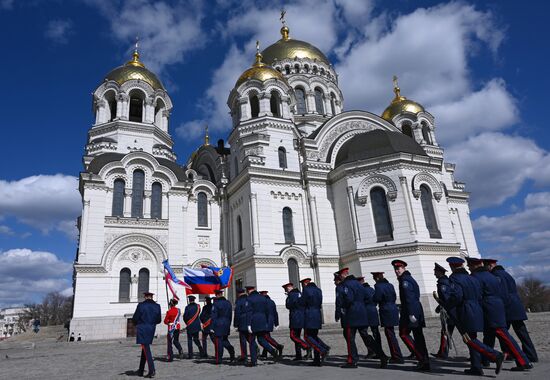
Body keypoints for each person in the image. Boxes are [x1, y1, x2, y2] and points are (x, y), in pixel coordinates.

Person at [467, 257, 531, 371]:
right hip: (497, 306)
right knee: (489, 335)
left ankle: (523, 361)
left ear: (473, 266)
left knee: (504, 335)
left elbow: (476, 294)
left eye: (469, 266)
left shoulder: (475, 278)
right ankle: (485, 360)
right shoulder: (492, 276)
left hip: (487, 307)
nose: (468, 268)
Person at [444, 257, 504, 376]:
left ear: (451, 267)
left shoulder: (454, 278)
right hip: (477, 308)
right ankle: (476, 367)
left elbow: (457, 296)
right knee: (471, 337)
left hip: (465, 309)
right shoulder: (472, 278)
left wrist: (447, 304)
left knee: (469, 338)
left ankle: (495, 355)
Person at [484, 259, 538, 363]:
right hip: (516, 305)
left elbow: (502, 293)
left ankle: (509, 353)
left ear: (490, 266)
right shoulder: (506, 274)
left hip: (508, 307)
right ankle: (531, 354)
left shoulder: (497, 276)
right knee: (522, 333)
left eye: (487, 267)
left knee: (502, 334)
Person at [392, 259, 430, 371]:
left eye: (398, 269)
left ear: (404, 268)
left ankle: (422, 359)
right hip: (414, 309)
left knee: (404, 333)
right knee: (419, 337)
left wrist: (411, 314)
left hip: (410, 311)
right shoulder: (407, 278)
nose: (396, 271)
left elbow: (410, 298)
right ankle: (424, 360)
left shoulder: (405, 280)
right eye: (395, 269)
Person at [372, 271, 403, 363]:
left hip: (385, 309)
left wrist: (374, 300)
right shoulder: (390, 285)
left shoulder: (378, 286)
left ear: (377, 278)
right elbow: (394, 296)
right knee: (391, 332)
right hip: (393, 308)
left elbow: (377, 298)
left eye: (374, 278)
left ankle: (397, 356)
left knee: (389, 334)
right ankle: (396, 355)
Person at [244, 285, 280, 366]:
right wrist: (267, 321)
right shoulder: (263, 298)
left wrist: (248, 324)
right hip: (263, 320)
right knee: (261, 339)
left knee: (252, 341)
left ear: (248, 291)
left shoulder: (249, 299)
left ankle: (254, 361)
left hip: (254, 321)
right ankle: (272, 351)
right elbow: (268, 311)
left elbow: (249, 312)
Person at [300, 277, 330, 366]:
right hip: (317, 313)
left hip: (309, 314)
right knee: (314, 337)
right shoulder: (318, 290)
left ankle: (322, 350)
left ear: (305, 283)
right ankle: (317, 360)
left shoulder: (306, 290)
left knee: (307, 336)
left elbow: (302, 302)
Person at [132, 291, 161, 378]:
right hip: (151, 328)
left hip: (142, 328)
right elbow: (159, 320)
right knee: (145, 348)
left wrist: (137, 324)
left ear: (145, 297)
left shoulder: (141, 305)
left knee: (146, 349)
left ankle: (152, 370)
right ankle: (141, 370)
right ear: (151, 297)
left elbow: (135, 318)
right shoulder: (157, 306)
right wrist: (151, 323)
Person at [359, 276, 388, 362]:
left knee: (364, 332)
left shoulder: (362, 290)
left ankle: (372, 351)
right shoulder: (371, 289)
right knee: (376, 332)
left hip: (366, 312)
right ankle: (379, 350)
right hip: (374, 311)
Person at [432, 263, 455, 359]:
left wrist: (440, 304)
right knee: (446, 331)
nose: (434, 274)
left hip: (448, 311)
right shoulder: (445, 281)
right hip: (449, 310)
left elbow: (446, 298)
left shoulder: (443, 283)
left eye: (435, 272)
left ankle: (443, 352)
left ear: (439, 272)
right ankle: (442, 351)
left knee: (446, 331)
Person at [283, 282, 310, 361]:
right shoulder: (299, 293)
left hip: (295, 317)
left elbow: (288, 305)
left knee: (293, 335)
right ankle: (299, 355)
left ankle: (306, 347)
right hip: (301, 316)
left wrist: (287, 297)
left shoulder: (292, 295)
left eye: (286, 289)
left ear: (288, 288)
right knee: (297, 336)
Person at [211, 289, 235, 364]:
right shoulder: (228, 303)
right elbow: (230, 315)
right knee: (224, 340)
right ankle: (231, 350)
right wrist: (229, 324)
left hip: (218, 324)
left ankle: (219, 359)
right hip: (226, 323)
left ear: (217, 295)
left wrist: (212, 327)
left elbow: (214, 316)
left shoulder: (216, 304)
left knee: (218, 342)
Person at [259, 291, 284, 359]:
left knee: (264, 337)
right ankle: (264, 353)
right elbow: (275, 313)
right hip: (271, 321)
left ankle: (278, 346)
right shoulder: (271, 301)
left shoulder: (263, 302)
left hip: (265, 321)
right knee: (266, 337)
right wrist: (276, 323)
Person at [233, 288, 248, 363]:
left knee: (242, 340)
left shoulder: (239, 300)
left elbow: (237, 312)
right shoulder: (249, 298)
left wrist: (235, 324)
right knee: (251, 339)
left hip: (242, 322)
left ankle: (244, 355)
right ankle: (254, 351)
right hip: (250, 321)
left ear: (238, 293)